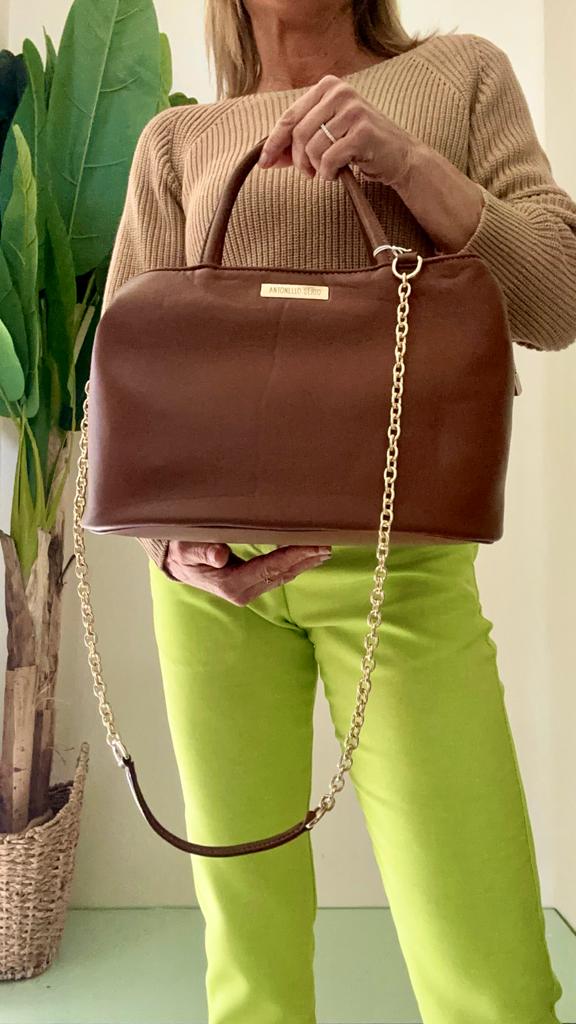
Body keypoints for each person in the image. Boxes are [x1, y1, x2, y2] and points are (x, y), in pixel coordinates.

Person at [101, 2, 576, 1022]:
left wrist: (411, 167)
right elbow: (126, 383)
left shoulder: (459, 78)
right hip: (210, 590)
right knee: (249, 967)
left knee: (490, 972)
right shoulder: (178, 141)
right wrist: (170, 543)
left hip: (403, 568)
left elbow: (558, 298)